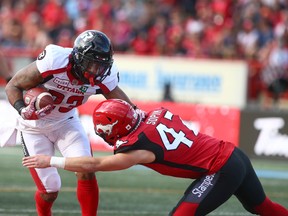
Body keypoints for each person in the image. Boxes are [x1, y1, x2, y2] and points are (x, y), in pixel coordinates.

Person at [22, 99, 288, 216]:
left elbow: (96, 164)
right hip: (234, 154)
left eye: (106, 130)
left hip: (220, 169)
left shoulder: (140, 146)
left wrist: (52, 161)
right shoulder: (155, 114)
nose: (105, 135)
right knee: (263, 207)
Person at [5, 30, 140, 216]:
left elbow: (124, 104)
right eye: (91, 64)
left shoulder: (105, 75)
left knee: (86, 170)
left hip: (66, 121)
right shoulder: (55, 60)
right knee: (49, 191)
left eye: (101, 65)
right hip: (33, 127)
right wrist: (22, 109)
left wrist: (139, 117)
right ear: (77, 58)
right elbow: (13, 85)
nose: (96, 70)